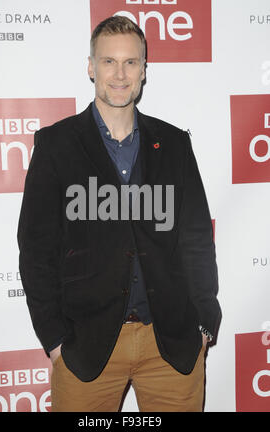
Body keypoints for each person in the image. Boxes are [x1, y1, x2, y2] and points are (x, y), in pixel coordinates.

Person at [17, 16, 221, 412]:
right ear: (91, 67)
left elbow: (196, 238)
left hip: (172, 345)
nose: (120, 74)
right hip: (87, 347)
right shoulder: (56, 145)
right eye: (109, 61)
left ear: (145, 71)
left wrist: (204, 322)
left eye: (131, 62)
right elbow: (37, 250)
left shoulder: (175, 144)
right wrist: (56, 339)